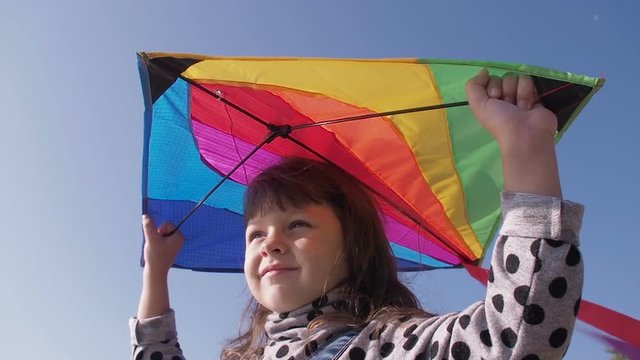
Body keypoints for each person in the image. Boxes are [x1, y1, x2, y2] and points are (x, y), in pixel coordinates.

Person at [130, 70, 584, 360]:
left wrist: (525, 148)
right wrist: (157, 272)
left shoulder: (383, 344)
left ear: (354, 243)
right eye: (255, 234)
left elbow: (515, 336)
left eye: (298, 224)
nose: (269, 242)